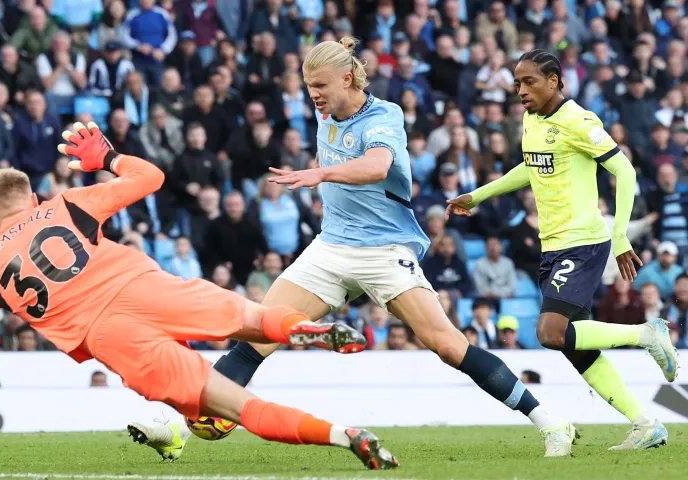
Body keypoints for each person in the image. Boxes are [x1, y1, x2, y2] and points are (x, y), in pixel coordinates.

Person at [133, 37, 576, 459]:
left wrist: (320, 174)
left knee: (446, 344)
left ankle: (549, 420)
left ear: (347, 79)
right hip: (331, 247)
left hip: (385, 249)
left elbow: (377, 165)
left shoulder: (385, 116)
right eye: (309, 88)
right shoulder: (326, 113)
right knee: (258, 332)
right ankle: (173, 427)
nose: (314, 96)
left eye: (320, 86)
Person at [0, 121, 396, 470]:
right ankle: (304, 329)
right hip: (142, 286)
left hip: (110, 336)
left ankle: (342, 434)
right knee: (254, 319)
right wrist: (108, 156)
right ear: (33, 195)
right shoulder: (63, 205)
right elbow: (152, 177)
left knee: (240, 409)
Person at [446, 49, 678, 451]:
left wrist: (620, 235)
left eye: (529, 81)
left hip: (584, 242)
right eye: (517, 82)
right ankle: (646, 423)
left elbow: (624, 170)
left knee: (549, 332)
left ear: (554, 80)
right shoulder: (531, 119)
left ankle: (647, 334)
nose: (520, 90)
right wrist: (479, 195)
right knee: (573, 344)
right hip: (551, 246)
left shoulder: (580, 121)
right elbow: (531, 167)